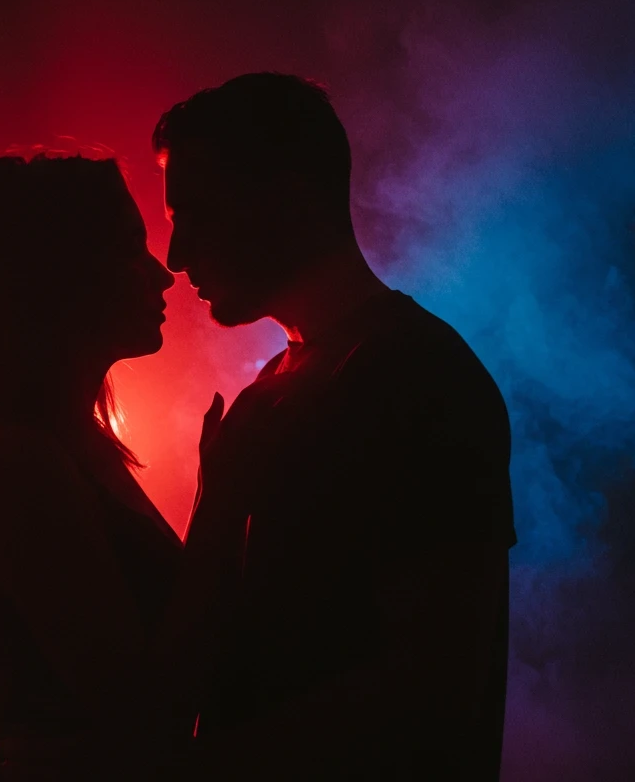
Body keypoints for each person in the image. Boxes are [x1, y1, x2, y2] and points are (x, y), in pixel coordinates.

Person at [155, 73, 518, 778]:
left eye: (198, 214)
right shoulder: (286, 383)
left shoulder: (419, 378)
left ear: (288, 201)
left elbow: (435, 688)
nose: (177, 254)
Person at [0, 154, 205, 780]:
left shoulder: (67, 443)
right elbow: (139, 708)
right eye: (131, 249)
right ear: (58, 274)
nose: (163, 274)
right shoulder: (16, 463)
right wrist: (224, 498)